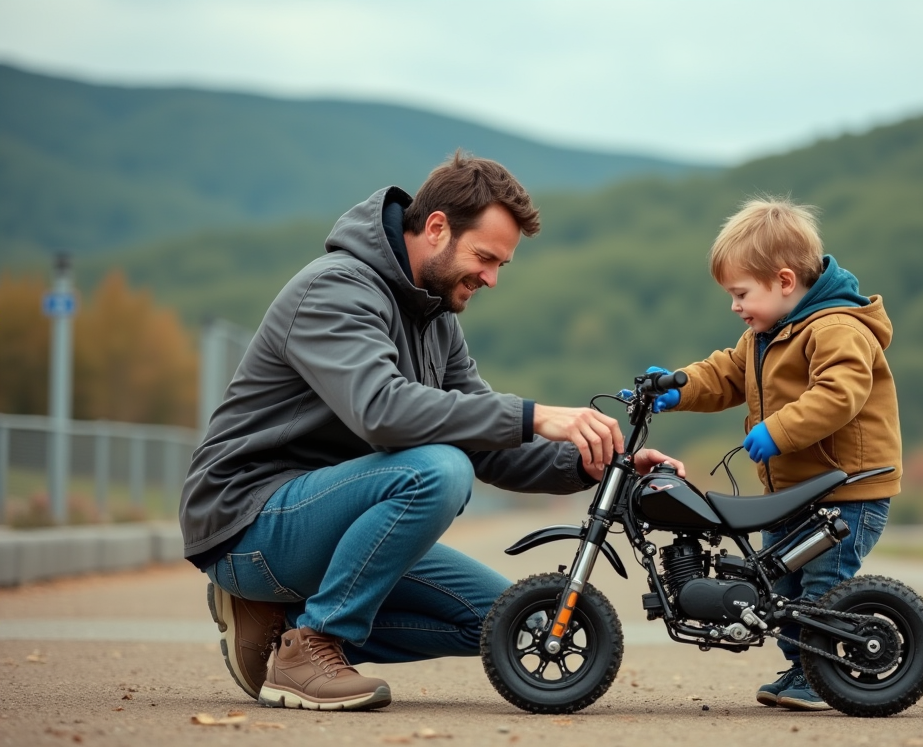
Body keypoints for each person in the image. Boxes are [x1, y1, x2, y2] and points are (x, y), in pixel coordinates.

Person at [180, 151, 681, 712]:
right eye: (484, 257)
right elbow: (381, 410)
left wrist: (595, 464)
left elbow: (485, 439)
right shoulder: (334, 290)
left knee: (514, 623)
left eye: (501, 266)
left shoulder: (436, 318)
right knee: (440, 471)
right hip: (250, 520)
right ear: (437, 227)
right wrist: (534, 413)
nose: (491, 279)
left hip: (335, 525)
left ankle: (284, 624)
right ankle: (315, 643)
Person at [651, 197, 901, 711]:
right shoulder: (763, 335)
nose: (736, 306)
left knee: (823, 583)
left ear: (784, 282)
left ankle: (821, 672)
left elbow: (839, 394)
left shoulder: (837, 329)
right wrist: (677, 388)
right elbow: (723, 373)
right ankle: (802, 666)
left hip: (845, 490)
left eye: (741, 293)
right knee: (778, 585)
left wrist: (778, 431)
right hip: (789, 494)